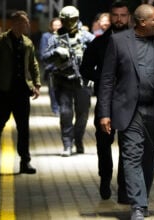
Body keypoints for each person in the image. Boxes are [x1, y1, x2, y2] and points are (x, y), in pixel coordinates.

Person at [98, 4, 154, 220]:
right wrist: (104, 113)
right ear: (142, 22)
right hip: (128, 110)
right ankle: (139, 205)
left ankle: (141, 197)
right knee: (131, 155)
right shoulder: (118, 41)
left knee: (149, 159)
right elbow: (106, 80)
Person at [80, 0, 130, 203]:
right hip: (106, 100)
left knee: (128, 145)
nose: (119, 19)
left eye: (122, 15)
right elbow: (84, 68)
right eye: (115, 15)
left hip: (129, 100)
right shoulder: (99, 43)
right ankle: (105, 178)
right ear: (110, 17)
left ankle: (124, 186)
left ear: (128, 17)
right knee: (104, 143)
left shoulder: (136, 41)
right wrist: (101, 77)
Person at [0, 11, 41, 174]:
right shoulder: (0, 41)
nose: (28, 25)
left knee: (24, 127)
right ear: (15, 23)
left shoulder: (28, 43)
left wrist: (36, 83)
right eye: (24, 22)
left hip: (22, 91)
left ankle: (25, 161)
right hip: (4, 90)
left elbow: (34, 64)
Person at [43, 6, 95, 156]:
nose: (69, 23)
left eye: (72, 20)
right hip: (63, 81)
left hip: (83, 81)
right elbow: (44, 57)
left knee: (83, 114)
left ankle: (78, 139)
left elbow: (99, 55)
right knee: (65, 113)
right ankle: (67, 143)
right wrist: (55, 52)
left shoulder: (86, 37)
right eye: (66, 20)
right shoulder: (55, 38)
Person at [39, 17, 62, 115]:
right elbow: (43, 53)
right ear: (51, 26)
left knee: (63, 90)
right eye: (55, 25)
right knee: (53, 90)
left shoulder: (65, 35)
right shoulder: (46, 36)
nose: (57, 27)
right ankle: (56, 109)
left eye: (59, 25)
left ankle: (62, 108)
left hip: (64, 68)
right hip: (51, 69)